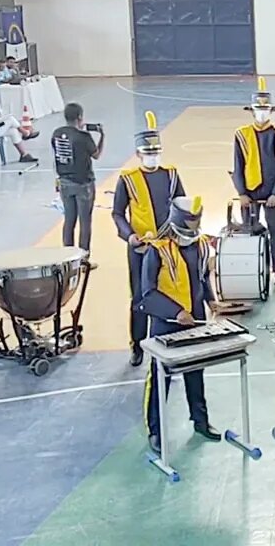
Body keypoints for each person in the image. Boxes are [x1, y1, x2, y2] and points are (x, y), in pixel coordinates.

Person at [137, 196, 222, 454]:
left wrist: (211, 300)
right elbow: (147, 295)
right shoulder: (156, 250)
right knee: (160, 377)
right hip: (166, 326)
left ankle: (200, 420)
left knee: (195, 372)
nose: (191, 235)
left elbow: (201, 277)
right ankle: (155, 430)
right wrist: (176, 312)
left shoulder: (201, 245)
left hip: (195, 321)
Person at [112, 111, 185, 367]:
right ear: (139, 154)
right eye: (148, 153)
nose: (153, 157)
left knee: (169, 294)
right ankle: (137, 344)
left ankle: (171, 343)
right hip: (140, 248)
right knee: (140, 297)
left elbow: (182, 205)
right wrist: (129, 235)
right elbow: (118, 213)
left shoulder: (172, 175)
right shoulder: (128, 179)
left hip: (168, 247)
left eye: (156, 152)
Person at [231, 78, 275, 283]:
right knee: (250, 233)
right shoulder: (241, 135)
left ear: (271, 111)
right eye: (258, 109)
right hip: (250, 193)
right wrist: (242, 193)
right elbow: (238, 166)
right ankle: (253, 271)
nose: (262, 113)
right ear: (252, 111)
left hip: (273, 193)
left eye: (265, 109)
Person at [51, 103, 104, 260]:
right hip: (83, 184)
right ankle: (83, 258)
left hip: (64, 182)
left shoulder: (56, 133)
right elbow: (96, 155)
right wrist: (102, 136)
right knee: (85, 221)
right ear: (80, 117)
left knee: (69, 219)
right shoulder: (84, 137)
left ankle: (67, 257)